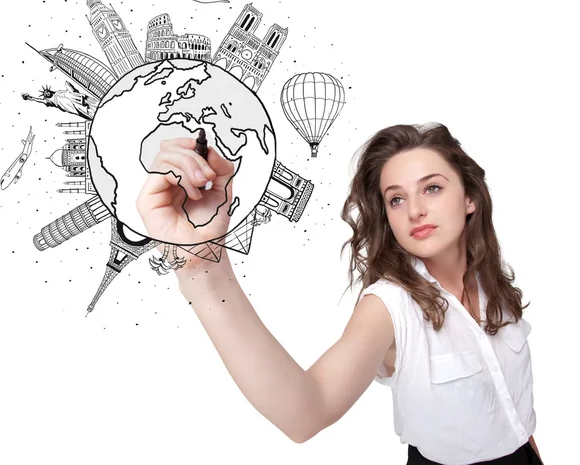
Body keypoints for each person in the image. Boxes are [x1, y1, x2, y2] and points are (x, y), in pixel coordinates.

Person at [136, 122, 544, 465]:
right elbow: (306, 412)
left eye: (432, 189)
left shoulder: (492, 280)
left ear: (470, 197)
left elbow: (513, 418)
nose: (414, 210)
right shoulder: (390, 305)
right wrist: (205, 268)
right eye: (396, 199)